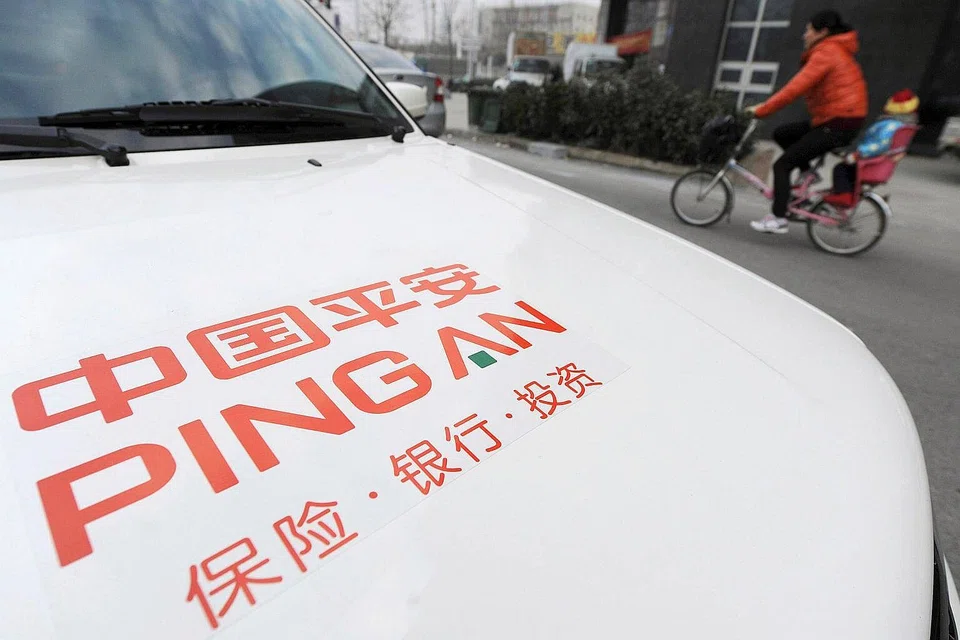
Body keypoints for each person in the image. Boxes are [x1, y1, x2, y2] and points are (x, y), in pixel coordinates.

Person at [745, 9, 868, 234]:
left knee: (782, 165)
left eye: (809, 30)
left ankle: (778, 218)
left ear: (823, 32)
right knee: (783, 133)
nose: (805, 35)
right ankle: (808, 173)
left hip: (839, 123)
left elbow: (794, 89)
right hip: (835, 119)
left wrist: (761, 110)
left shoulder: (827, 52)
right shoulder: (834, 49)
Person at [823, 89, 919, 207]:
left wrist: (859, 153)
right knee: (849, 173)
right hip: (881, 163)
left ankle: (844, 196)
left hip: (870, 162)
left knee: (841, 168)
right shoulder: (905, 126)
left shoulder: (890, 126)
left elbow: (879, 145)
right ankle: (846, 193)